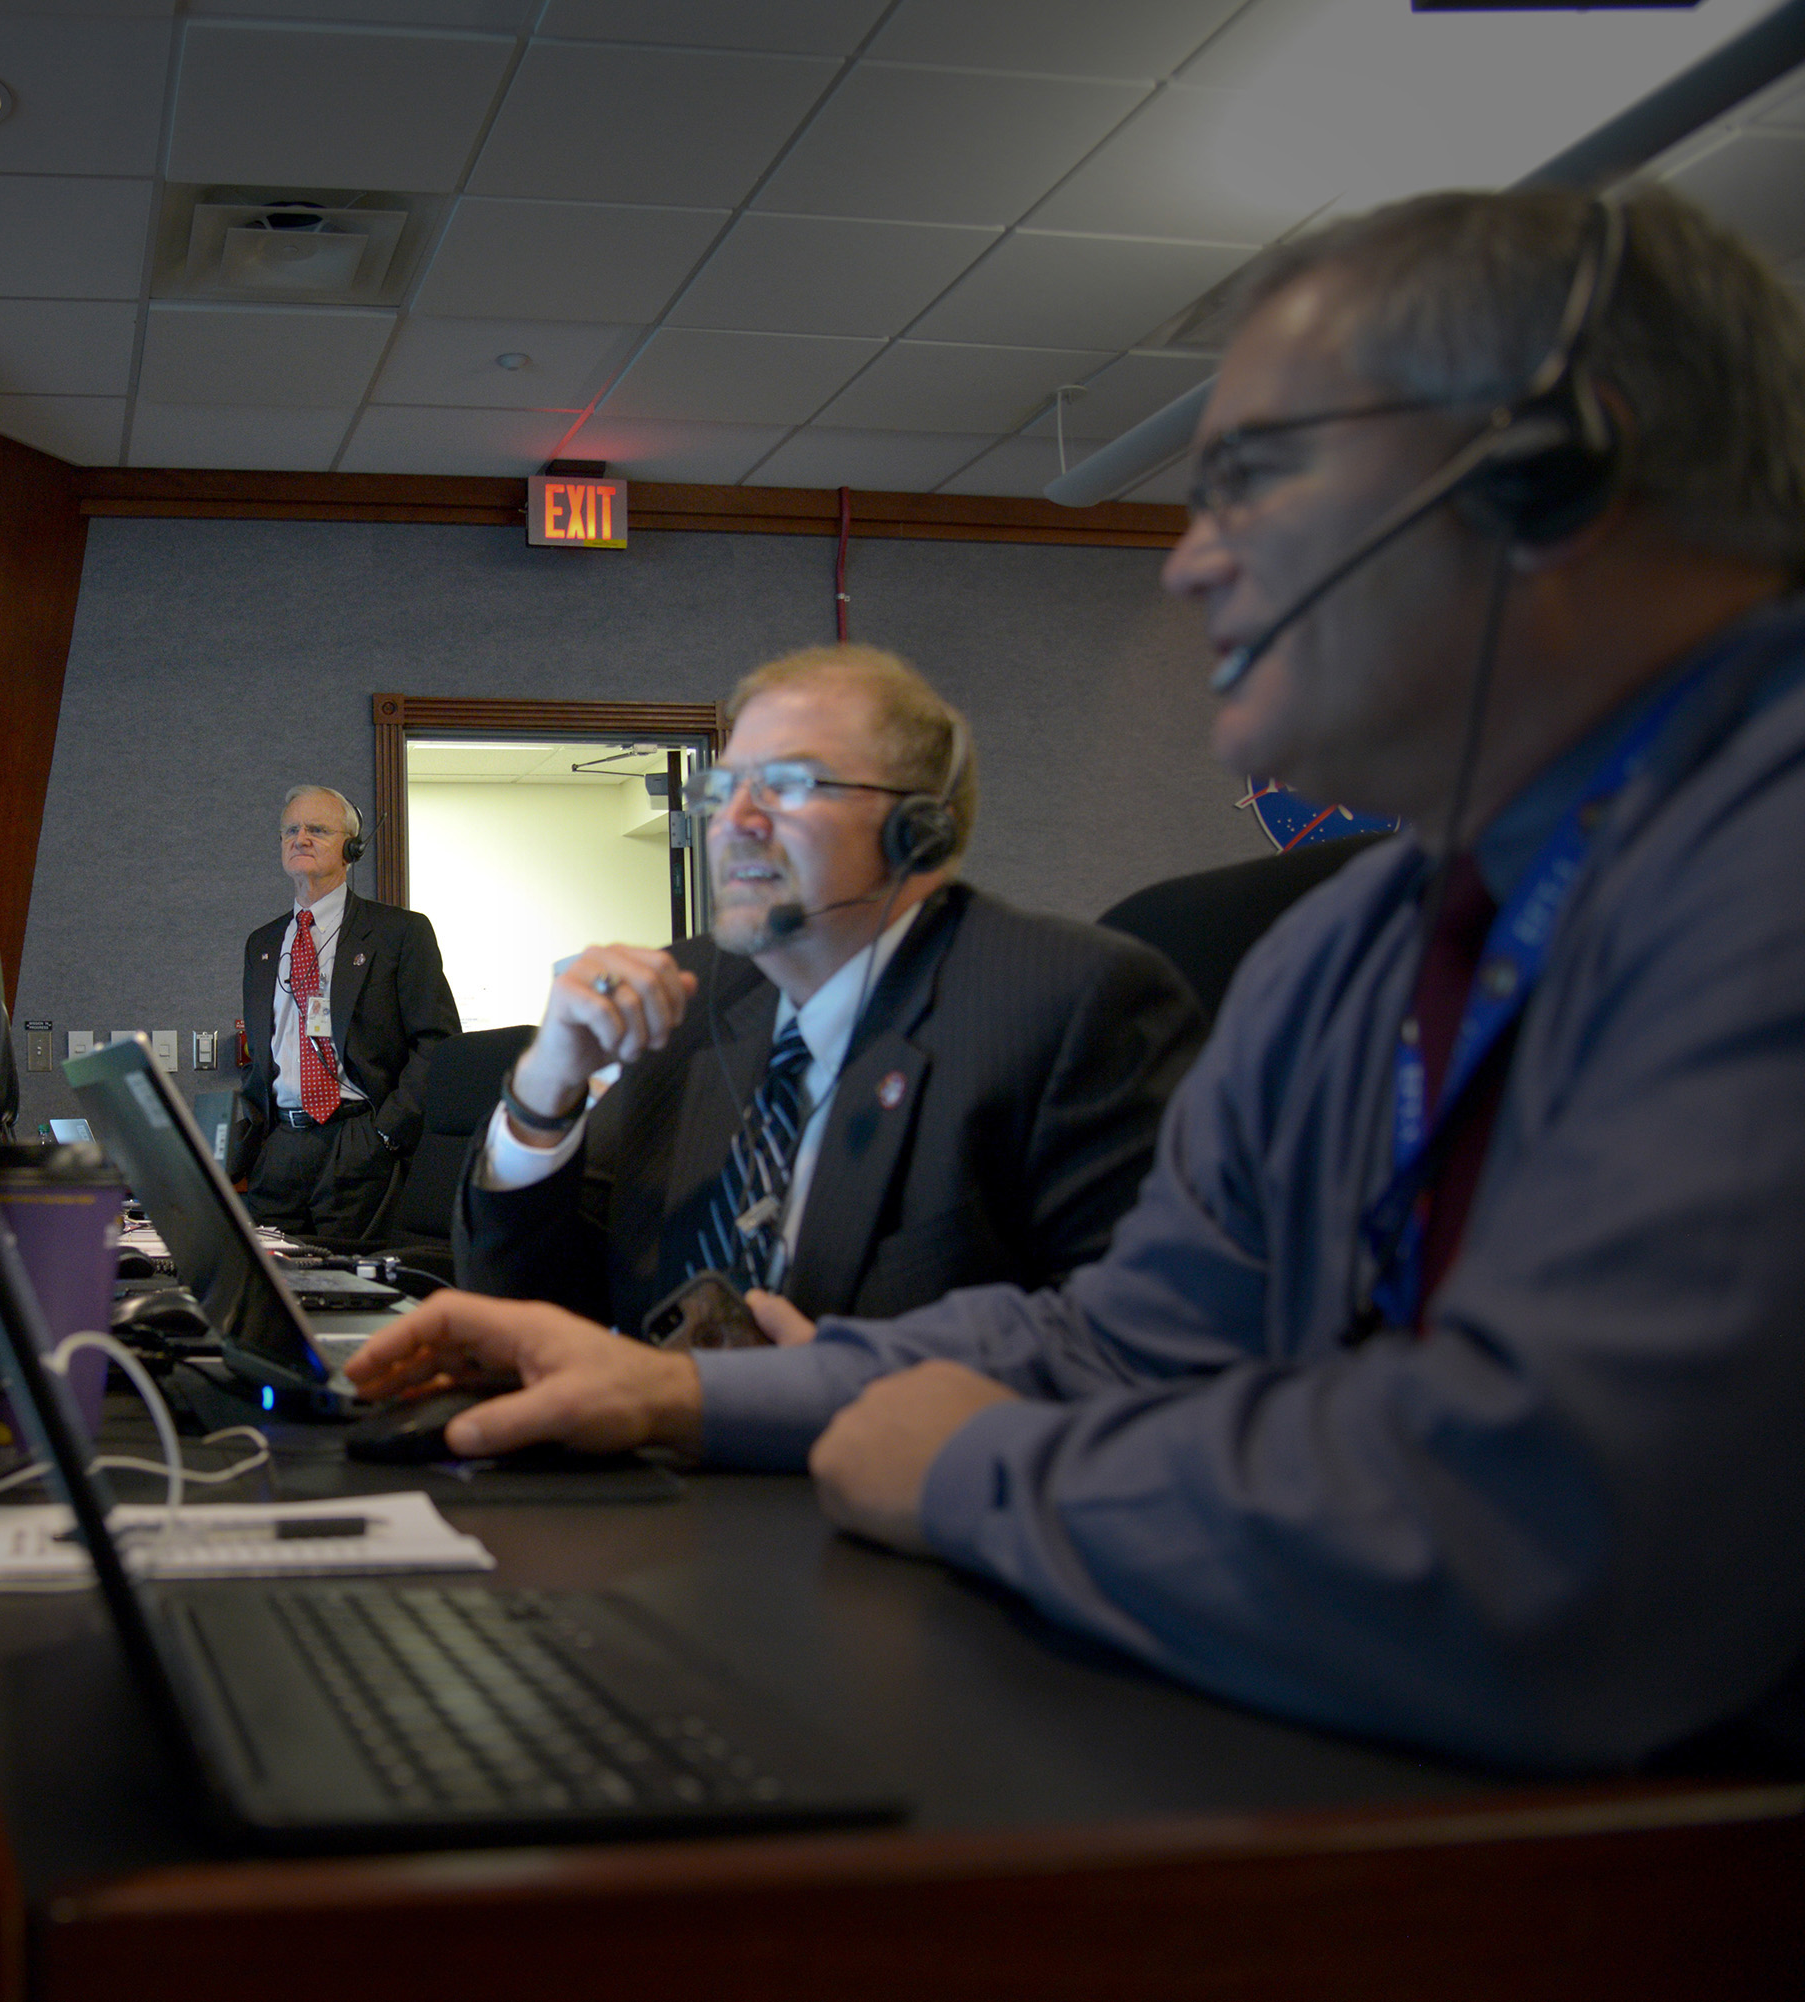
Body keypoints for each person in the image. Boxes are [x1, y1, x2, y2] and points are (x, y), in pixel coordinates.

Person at [351, 185, 1805, 1773]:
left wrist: (982, 1474)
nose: (1185, 566)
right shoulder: (1363, 938)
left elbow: (1567, 1546)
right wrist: (671, 1395)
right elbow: (1128, 1341)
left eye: (1249, 479)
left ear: (1553, 467)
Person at [456, 644, 1203, 1336]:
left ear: (918, 831)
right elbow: (526, 1310)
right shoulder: (692, 994)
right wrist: (545, 1088)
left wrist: (831, 1391)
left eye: (788, 784)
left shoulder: (1066, 1002)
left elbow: (1138, 1344)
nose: (735, 822)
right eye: (724, 788)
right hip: (665, 1469)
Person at [227, 784, 460, 1239]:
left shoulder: (399, 932)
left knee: (351, 1289)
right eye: (291, 830)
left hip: (358, 1141)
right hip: (279, 1147)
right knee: (269, 1289)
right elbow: (266, 1051)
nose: (301, 839)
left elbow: (438, 1042)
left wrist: (387, 1134)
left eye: (317, 829)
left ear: (351, 849)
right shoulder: (262, 944)